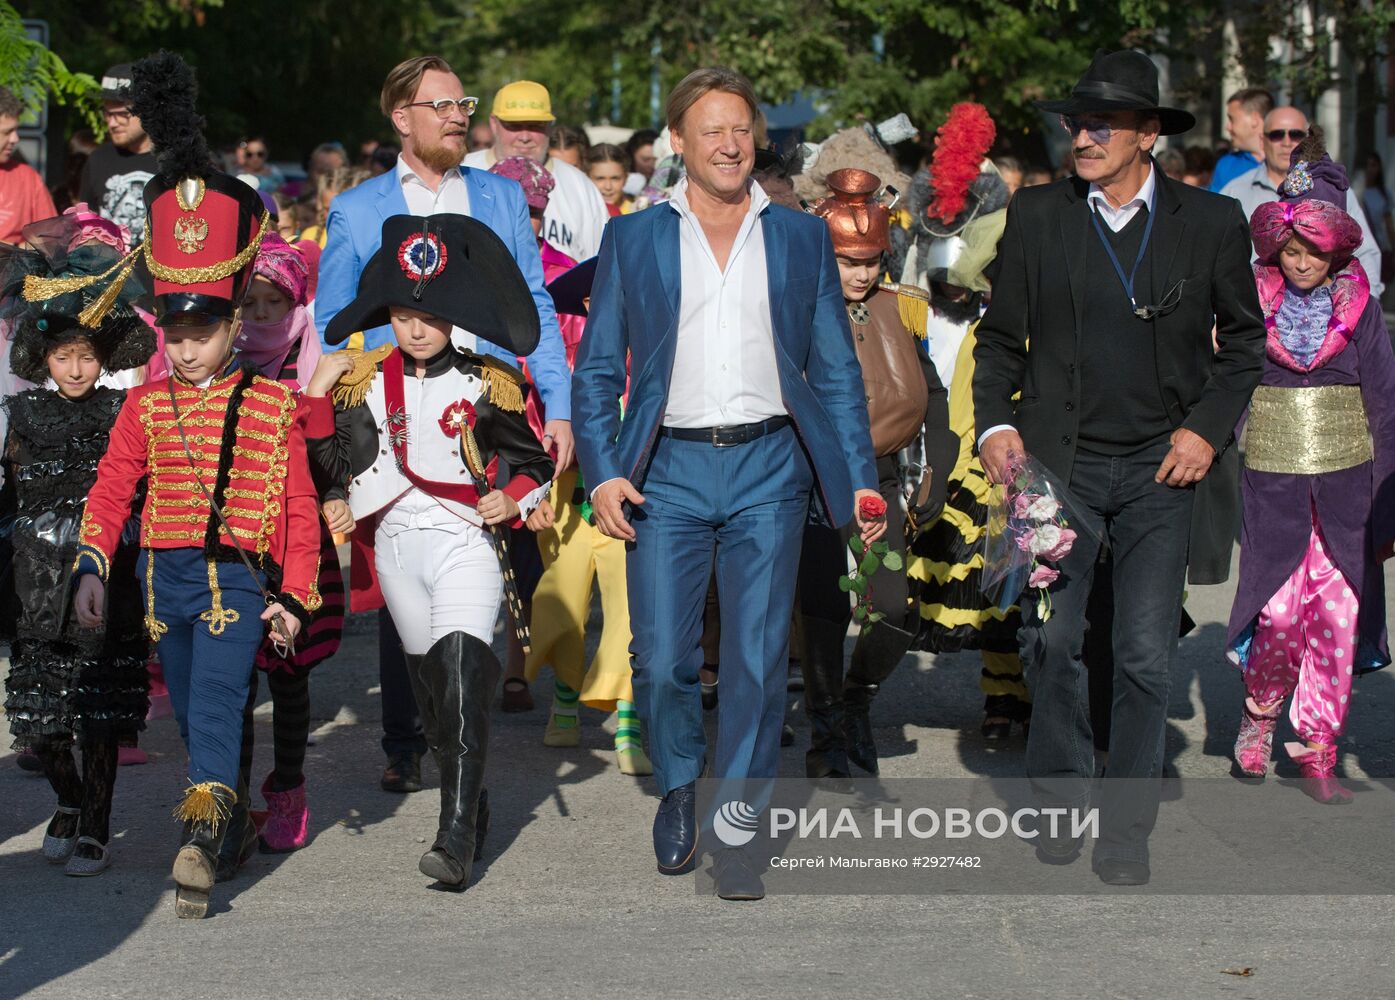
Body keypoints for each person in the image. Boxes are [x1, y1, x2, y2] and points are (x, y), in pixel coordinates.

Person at [573, 67, 883, 901]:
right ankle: (679, 782)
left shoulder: (799, 237)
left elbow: (833, 374)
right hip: (665, 471)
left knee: (753, 657)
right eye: (710, 129)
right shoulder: (635, 238)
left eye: (740, 129)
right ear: (677, 140)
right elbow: (598, 368)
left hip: (769, 466)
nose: (728, 143)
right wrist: (601, 472)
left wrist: (858, 483)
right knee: (666, 658)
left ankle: (740, 822)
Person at [974, 49, 1266, 885]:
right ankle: (1063, 793)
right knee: (1052, 642)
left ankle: (1125, 825)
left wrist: (1205, 433)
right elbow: (998, 343)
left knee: (1141, 654)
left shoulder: (1208, 222)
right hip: (1055, 469)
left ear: (1146, 134)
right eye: (1077, 120)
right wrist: (994, 424)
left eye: (1104, 122)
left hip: (1160, 470)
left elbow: (1243, 344)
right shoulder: (1037, 217)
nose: (1084, 134)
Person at [68, 52, 320, 919]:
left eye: (204, 330)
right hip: (164, 585)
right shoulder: (141, 407)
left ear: (230, 322)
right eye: (175, 332)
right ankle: (231, 821)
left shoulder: (275, 402)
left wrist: (293, 594)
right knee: (194, 718)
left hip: (240, 585)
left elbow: (293, 509)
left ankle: (201, 842)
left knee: (215, 700)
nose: (186, 347)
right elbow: (111, 491)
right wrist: (95, 565)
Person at [315, 55, 572, 795]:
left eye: (465, 104)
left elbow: (532, 307)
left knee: (493, 562)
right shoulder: (360, 210)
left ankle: (456, 725)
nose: (460, 115)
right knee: (408, 575)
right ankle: (407, 739)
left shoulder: (495, 196)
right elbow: (337, 325)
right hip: (392, 415)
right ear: (402, 117)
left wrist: (553, 405)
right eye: (443, 105)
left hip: (484, 412)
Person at [306, 213, 553, 889]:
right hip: (392, 548)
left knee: (461, 679)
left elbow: (534, 463)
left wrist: (515, 498)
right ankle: (469, 799)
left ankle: (454, 838)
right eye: (405, 312)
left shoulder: (490, 380)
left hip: (465, 542)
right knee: (434, 703)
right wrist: (318, 396)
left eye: (432, 312)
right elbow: (329, 465)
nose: (417, 327)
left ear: (454, 314)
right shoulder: (359, 379)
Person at [1227, 134, 1395, 804]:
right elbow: (1231, 380)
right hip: (1271, 482)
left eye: (1312, 251)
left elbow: (1383, 401)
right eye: (1289, 250)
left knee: (1336, 613)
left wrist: (1388, 494)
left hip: (1349, 483)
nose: (1299, 263)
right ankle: (1260, 713)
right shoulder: (1247, 300)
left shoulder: (1363, 308)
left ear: (1337, 248)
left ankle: (1319, 745)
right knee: (1276, 613)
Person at [0, 211, 155, 876]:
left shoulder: (122, 415)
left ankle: (94, 824)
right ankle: (67, 800)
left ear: (104, 357)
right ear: (42, 358)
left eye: (85, 355)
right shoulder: (22, 417)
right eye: (61, 355)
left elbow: (137, 494)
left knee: (96, 714)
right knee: (41, 726)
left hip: (103, 576)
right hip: (35, 583)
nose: (73, 367)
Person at [799, 168, 956, 784]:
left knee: (893, 607)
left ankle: (856, 697)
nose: (862, 272)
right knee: (821, 608)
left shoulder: (902, 309)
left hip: (884, 478)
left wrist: (936, 469)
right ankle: (825, 731)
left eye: (871, 259)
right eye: (846, 260)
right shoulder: (796, 311)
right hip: (812, 478)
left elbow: (934, 394)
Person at [227, 233, 343, 854]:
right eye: (251, 303)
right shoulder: (221, 358)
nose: (262, 315)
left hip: (296, 535)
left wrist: (317, 392)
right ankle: (235, 796)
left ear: (297, 303)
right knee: (235, 674)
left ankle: (290, 788)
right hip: (236, 539)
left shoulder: (315, 358)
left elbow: (324, 458)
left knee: (289, 675)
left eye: (275, 302)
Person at [1220, 107, 1383, 296]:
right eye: (1276, 135)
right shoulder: (1235, 192)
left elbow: (1366, 252)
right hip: (1254, 313)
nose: (1287, 142)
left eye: (1296, 134)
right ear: (1262, 140)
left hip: (1329, 316)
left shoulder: (1336, 191)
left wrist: (1361, 307)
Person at [464, 80, 609, 262]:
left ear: (550, 126)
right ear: (494, 123)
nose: (525, 137)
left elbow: (599, 263)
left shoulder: (580, 185)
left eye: (535, 126)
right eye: (514, 126)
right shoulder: (464, 171)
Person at [77, 64, 159, 237]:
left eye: (122, 114)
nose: (112, 123)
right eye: (107, 113)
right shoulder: (98, 160)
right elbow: (83, 227)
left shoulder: (176, 161)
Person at [0, 88, 58, 244]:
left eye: (16, 130)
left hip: (18, 267)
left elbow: (52, 241)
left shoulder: (28, 178)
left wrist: (16, 249)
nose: (15, 138)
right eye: (7, 131)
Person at [1209, 87, 1272, 192]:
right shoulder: (1226, 165)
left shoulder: (1288, 161)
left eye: (1232, 119)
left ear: (1254, 119)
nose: (1228, 127)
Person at [1360, 152, 1395, 288]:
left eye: (1373, 165)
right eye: (1367, 165)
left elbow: (1389, 225)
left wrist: (1393, 249)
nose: (1370, 169)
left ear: (1379, 168)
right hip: (1362, 250)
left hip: (1381, 249)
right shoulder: (1355, 192)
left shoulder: (1384, 194)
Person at [585, 142, 633, 216]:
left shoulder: (637, 212)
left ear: (626, 178)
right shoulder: (580, 212)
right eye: (600, 178)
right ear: (586, 178)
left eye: (615, 178)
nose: (608, 187)